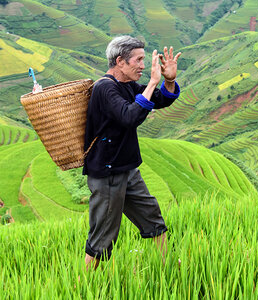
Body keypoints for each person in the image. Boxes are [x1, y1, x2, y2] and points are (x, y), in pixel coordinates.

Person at [83, 35, 181, 270]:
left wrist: (168, 81)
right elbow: (129, 117)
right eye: (138, 60)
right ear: (120, 62)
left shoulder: (126, 85)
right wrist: (151, 83)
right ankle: (81, 286)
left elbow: (157, 100)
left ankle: (168, 267)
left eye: (144, 60)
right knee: (103, 236)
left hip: (127, 169)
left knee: (153, 218)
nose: (143, 66)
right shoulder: (105, 88)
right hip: (107, 174)